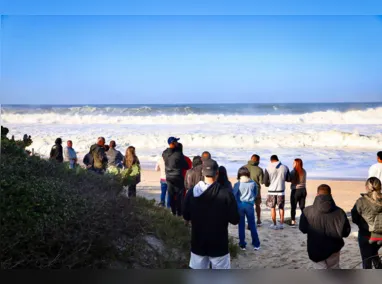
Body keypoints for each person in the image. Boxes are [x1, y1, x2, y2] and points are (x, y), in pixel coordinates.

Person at [183, 159, 240, 269]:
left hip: (198, 242)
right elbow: (235, 219)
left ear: (202, 173)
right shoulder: (226, 194)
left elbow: (186, 215)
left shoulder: (191, 193)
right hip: (219, 243)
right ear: (217, 173)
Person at [299, 184, 351, 269]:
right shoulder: (340, 212)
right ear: (330, 195)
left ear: (317, 195)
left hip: (315, 248)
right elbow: (345, 232)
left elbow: (303, 229)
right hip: (333, 249)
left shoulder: (307, 211)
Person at [351, 177, 382, 269]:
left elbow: (354, 218)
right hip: (380, 236)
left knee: (366, 261)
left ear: (366, 187)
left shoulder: (361, 201)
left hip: (366, 236)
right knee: (374, 253)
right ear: (380, 187)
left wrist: (362, 225)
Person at [233, 167, 261, 251]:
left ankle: (242, 244)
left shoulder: (237, 184)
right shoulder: (253, 183)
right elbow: (255, 194)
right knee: (252, 225)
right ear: (248, 174)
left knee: (241, 225)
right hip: (249, 205)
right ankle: (256, 244)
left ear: (239, 174)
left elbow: (234, 195)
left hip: (240, 206)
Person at [162, 137, 189, 216]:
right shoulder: (178, 154)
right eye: (176, 142)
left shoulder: (164, 153)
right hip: (177, 177)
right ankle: (179, 213)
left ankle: (173, 212)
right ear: (173, 143)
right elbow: (186, 166)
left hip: (168, 177)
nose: (177, 143)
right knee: (179, 196)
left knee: (171, 195)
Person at [263, 155, 290, 230]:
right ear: (278, 159)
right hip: (281, 191)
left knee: (272, 208)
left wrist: (269, 183)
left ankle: (274, 224)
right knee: (281, 208)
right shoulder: (285, 167)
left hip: (271, 191)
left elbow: (265, 182)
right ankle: (281, 224)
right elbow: (288, 179)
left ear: (271, 160)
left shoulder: (268, 168)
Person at [245, 154, 264, 226]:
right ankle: (258, 220)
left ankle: (248, 221)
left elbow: (239, 179)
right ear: (258, 160)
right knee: (257, 205)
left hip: (246, 189)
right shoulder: (259, 169)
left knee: (248, 206)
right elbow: (262, 182)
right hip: (256, 189)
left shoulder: (243, 168)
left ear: (251, 159)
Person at [290, 158, 307, 227]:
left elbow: (290, 180)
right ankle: (305, 220)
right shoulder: (304, 171)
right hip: (303, 190)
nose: (292, 164)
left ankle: (293, 221)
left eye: (294, 163)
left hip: (296, 191)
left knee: (293, 207)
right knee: (302, 207)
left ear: (296, 164)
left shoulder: (293, 171)